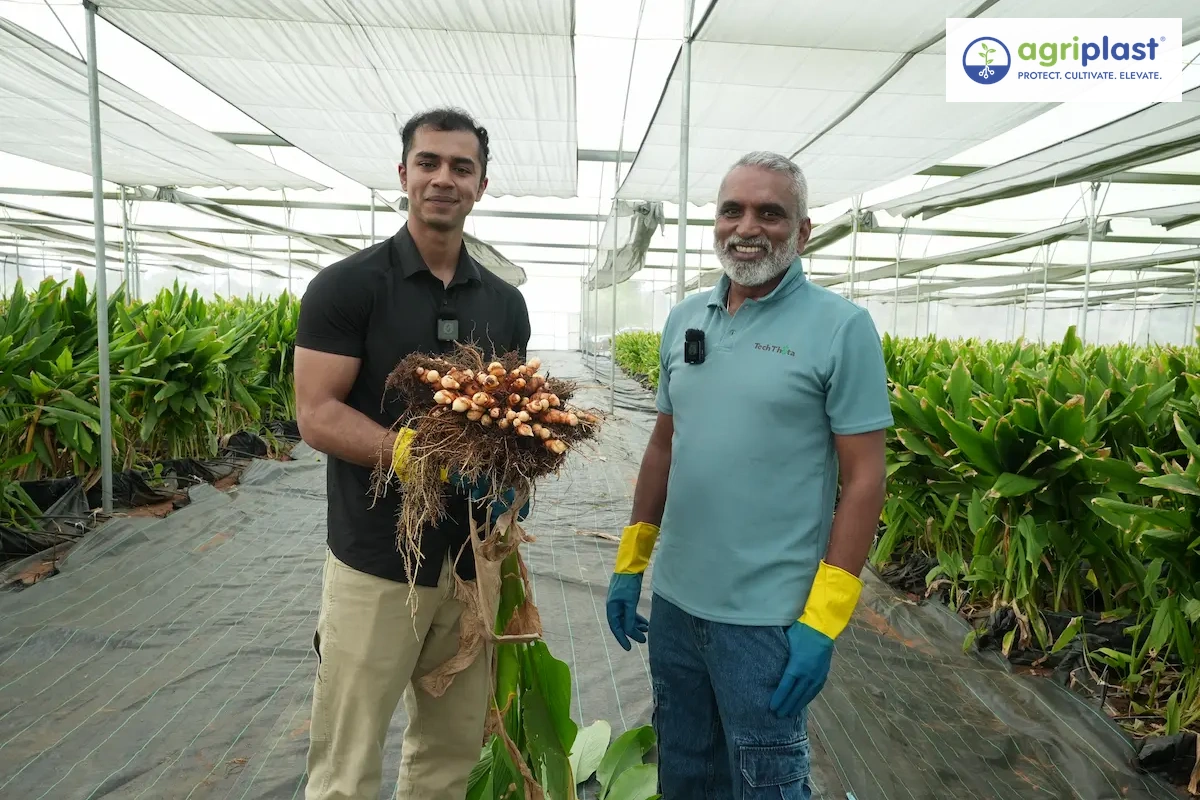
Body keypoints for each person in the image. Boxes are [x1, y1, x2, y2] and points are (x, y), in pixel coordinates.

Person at [605, 151, 891, 799]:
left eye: (770, 212)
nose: (747, 226)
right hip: (675, 606)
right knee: (685, 769)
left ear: (804, 231)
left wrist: (824, 619)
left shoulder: (841, 328)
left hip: (768, 619)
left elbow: (866, 479)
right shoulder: (685, 321)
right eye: (732, 209)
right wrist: (631, 563)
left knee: (766, 783)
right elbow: (663, 447)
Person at [294, 107, 532, 800]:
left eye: (461, 167)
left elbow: (507, 415)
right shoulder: (347, 287)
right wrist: (413, 456)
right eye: (428, 163)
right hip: (378, 564)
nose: (443, 179)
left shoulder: (506, 303)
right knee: (348, 761)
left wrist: (513, 481)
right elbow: (316, 414)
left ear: (482, 185)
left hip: (470, 568)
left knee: (450, 758)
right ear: (403, 174)